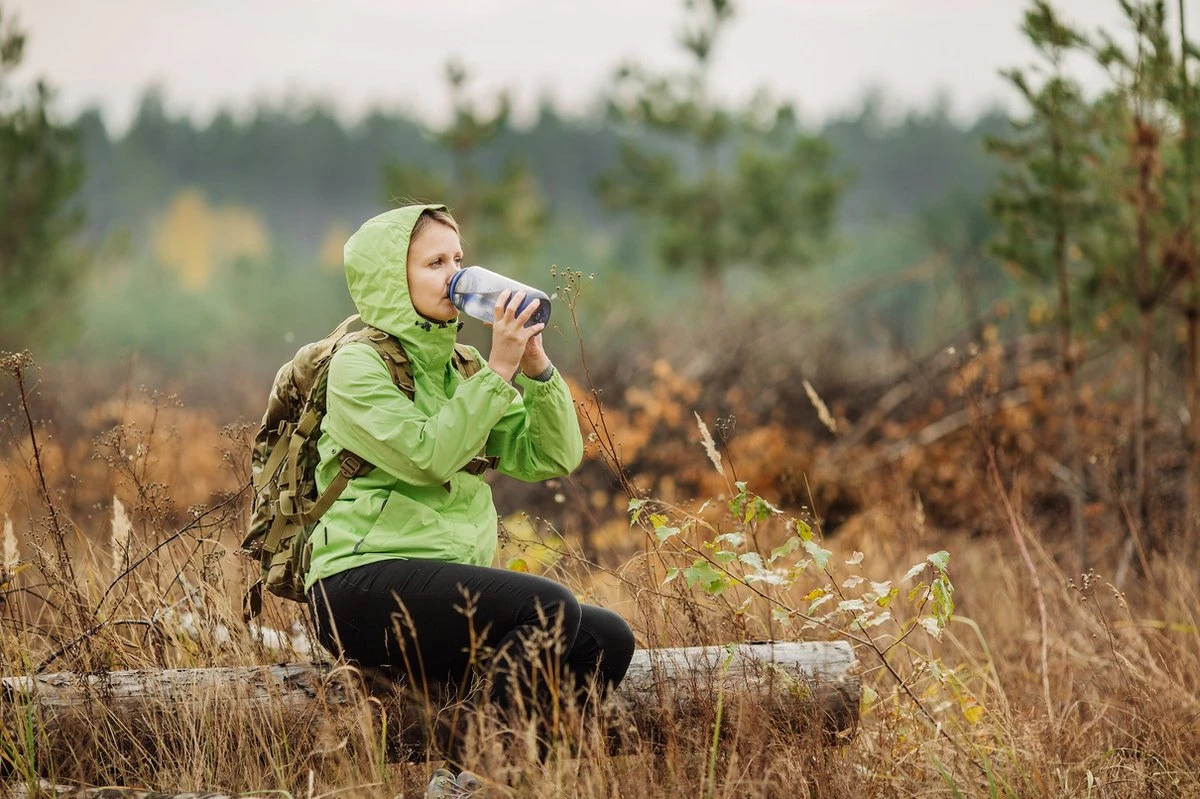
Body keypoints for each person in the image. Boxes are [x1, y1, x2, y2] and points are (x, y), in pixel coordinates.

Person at [304, 203, 635, 742]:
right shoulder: (356, 367)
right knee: (549, 607)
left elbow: (550, 458)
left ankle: (517, 768)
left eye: (458, 258)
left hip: (441, 588)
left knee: (606, 639)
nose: (454, 275)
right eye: (435, 263)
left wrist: (535, 369)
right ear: (392, 278)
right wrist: (499, 368)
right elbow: (425, 457)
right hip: (360, 586)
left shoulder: (462, 366)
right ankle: (473, 779)